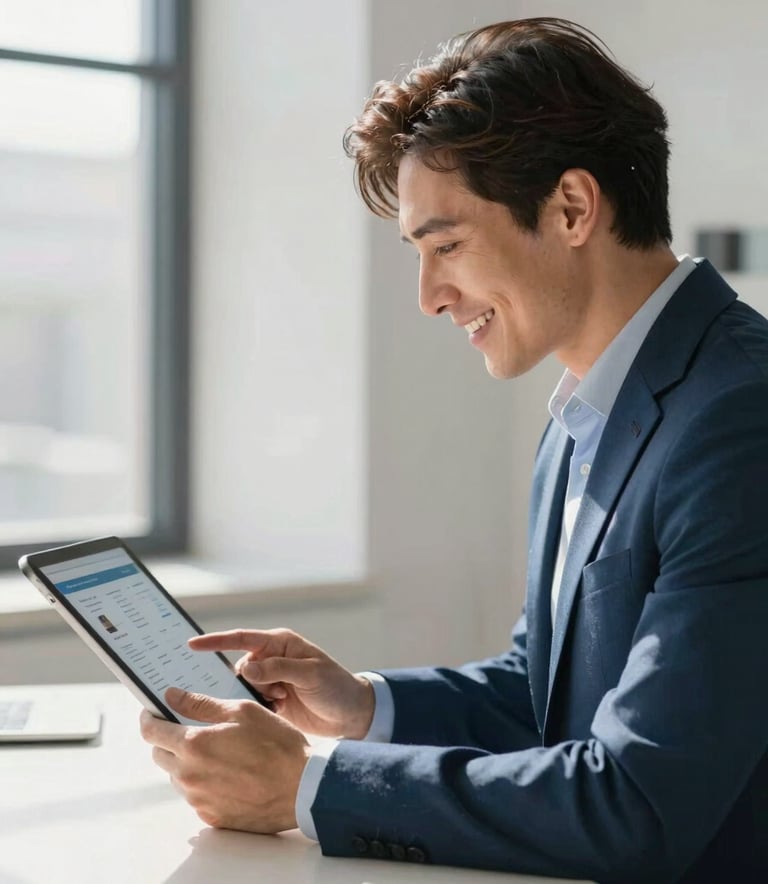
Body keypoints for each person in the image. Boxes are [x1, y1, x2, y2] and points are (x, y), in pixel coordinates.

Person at [140, 17, 768, 883]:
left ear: (573, 208)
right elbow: (546, 691)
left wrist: (309, 789)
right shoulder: (589, 407)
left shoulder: (741, 420)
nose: (431, 296)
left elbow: (639, 800)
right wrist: (364, 705)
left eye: (448, 245)